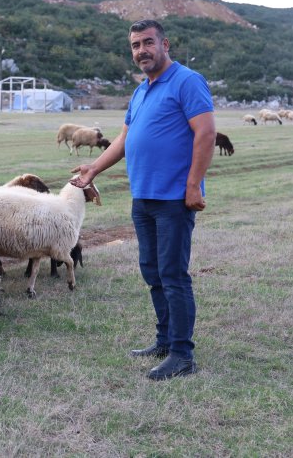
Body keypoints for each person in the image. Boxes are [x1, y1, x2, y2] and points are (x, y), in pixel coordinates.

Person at [70, 19, 215, 380]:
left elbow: (207, 132)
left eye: (148, 43)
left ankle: (183, 355)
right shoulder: (141, 91)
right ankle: (165, 340)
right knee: (152, 272)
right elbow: (123, 139)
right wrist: (93, 170)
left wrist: (193, 185)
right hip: (144, 198)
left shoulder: (186, 81)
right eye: (135, 45)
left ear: (166, 44)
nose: (141, 51)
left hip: (173, 200)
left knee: (173, 274)